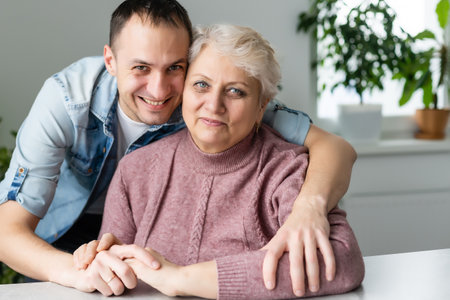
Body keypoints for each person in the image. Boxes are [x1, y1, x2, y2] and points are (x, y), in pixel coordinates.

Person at [0, 0, 356, 295]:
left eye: (175, 68)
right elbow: (6, 231)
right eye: (141, 67)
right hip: (62, 236)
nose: (158, 91)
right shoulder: (66, 100)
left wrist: (308, 208)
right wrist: (78, 271)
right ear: (110, 61)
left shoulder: (229, 102)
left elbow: (335, 148)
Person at [78, 23, 364, 299]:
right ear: (184, 90)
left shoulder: (287, 171)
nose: (214, 105)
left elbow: (343, 261)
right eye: (201, 85)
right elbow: (112, 272)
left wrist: (180, 278)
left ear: (262, 106)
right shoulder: (135, 170)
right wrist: (98, 263)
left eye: (235, 91)